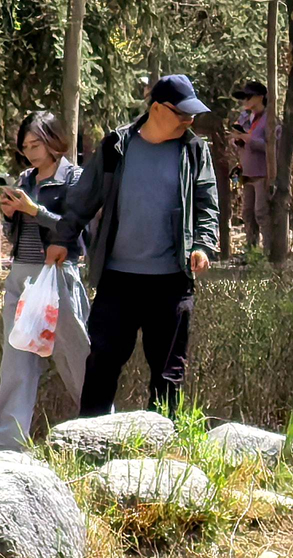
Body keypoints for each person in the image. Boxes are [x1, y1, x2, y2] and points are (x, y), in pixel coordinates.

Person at [47, 75, 218, 416]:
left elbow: (206, 204)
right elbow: (83, 198)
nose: (190, 120)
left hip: (172, 281)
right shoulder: (116, 147)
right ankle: (88, 442)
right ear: (157, 109)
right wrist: (62, 239)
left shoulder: (194, 150)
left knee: (169, 374)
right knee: (101, 365)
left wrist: (203, 245)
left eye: (193, 114)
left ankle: (167, 450)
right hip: (118, 280)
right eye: (182, 113)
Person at [0, 111, 91, 452]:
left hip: (57, 273)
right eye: (25, 146)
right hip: (22, 274)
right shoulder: (25, 178)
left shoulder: (74, 177)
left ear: (54, 140)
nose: (30, 151)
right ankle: (3, 439)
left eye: (36, 143)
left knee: (77, 354)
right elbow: (16, 232)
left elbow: (73, 227)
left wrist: (34, 210)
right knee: (16, 356)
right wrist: (11, 214)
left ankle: (100, 424)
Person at [229, 82, 272, 254]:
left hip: (262, 173)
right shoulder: (244, 117)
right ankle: (251, 251)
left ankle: (269, 252)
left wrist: (249, 139)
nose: (245, 101)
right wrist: (236, 139)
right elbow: (236, 139)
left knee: (261, 212)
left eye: (249, 96)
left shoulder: (270, 118)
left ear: (261, 97)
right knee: (247, 213)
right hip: (246, 172)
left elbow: (271, 146)